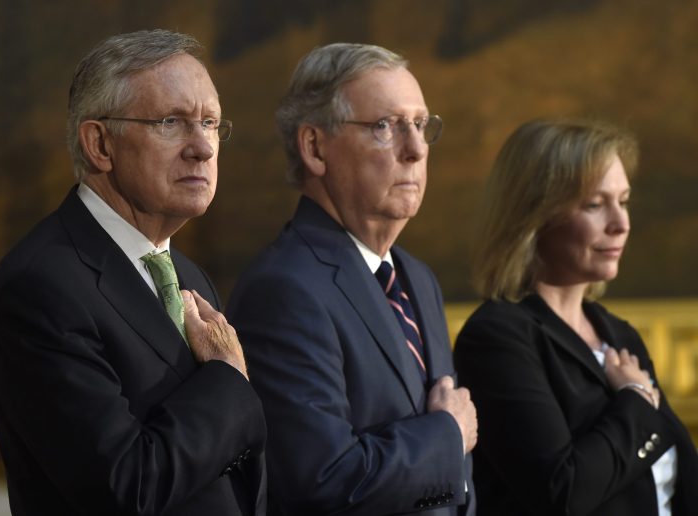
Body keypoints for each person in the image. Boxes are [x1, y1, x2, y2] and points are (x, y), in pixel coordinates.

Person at [0, 30, 266, 516]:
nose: (203, 148)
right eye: (172, 121)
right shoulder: (40, 286)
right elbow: (125, 487)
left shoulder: (186, 272)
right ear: (100, 144)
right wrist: (226, 378)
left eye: (211, 123)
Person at [226, 43, 477, 516]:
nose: (416, 149)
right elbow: (320, 482)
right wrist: (447, 435)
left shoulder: (418, 278)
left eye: (420, 125)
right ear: (315, 147)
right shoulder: (283, 289)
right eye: (385, 126)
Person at [453, 118, 698, 516]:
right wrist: (635, 401)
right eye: (595, 205)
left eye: (624, 201)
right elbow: (561, 492)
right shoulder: (498, 336)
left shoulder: (620, 335)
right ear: (535, 217)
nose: (621, 224)